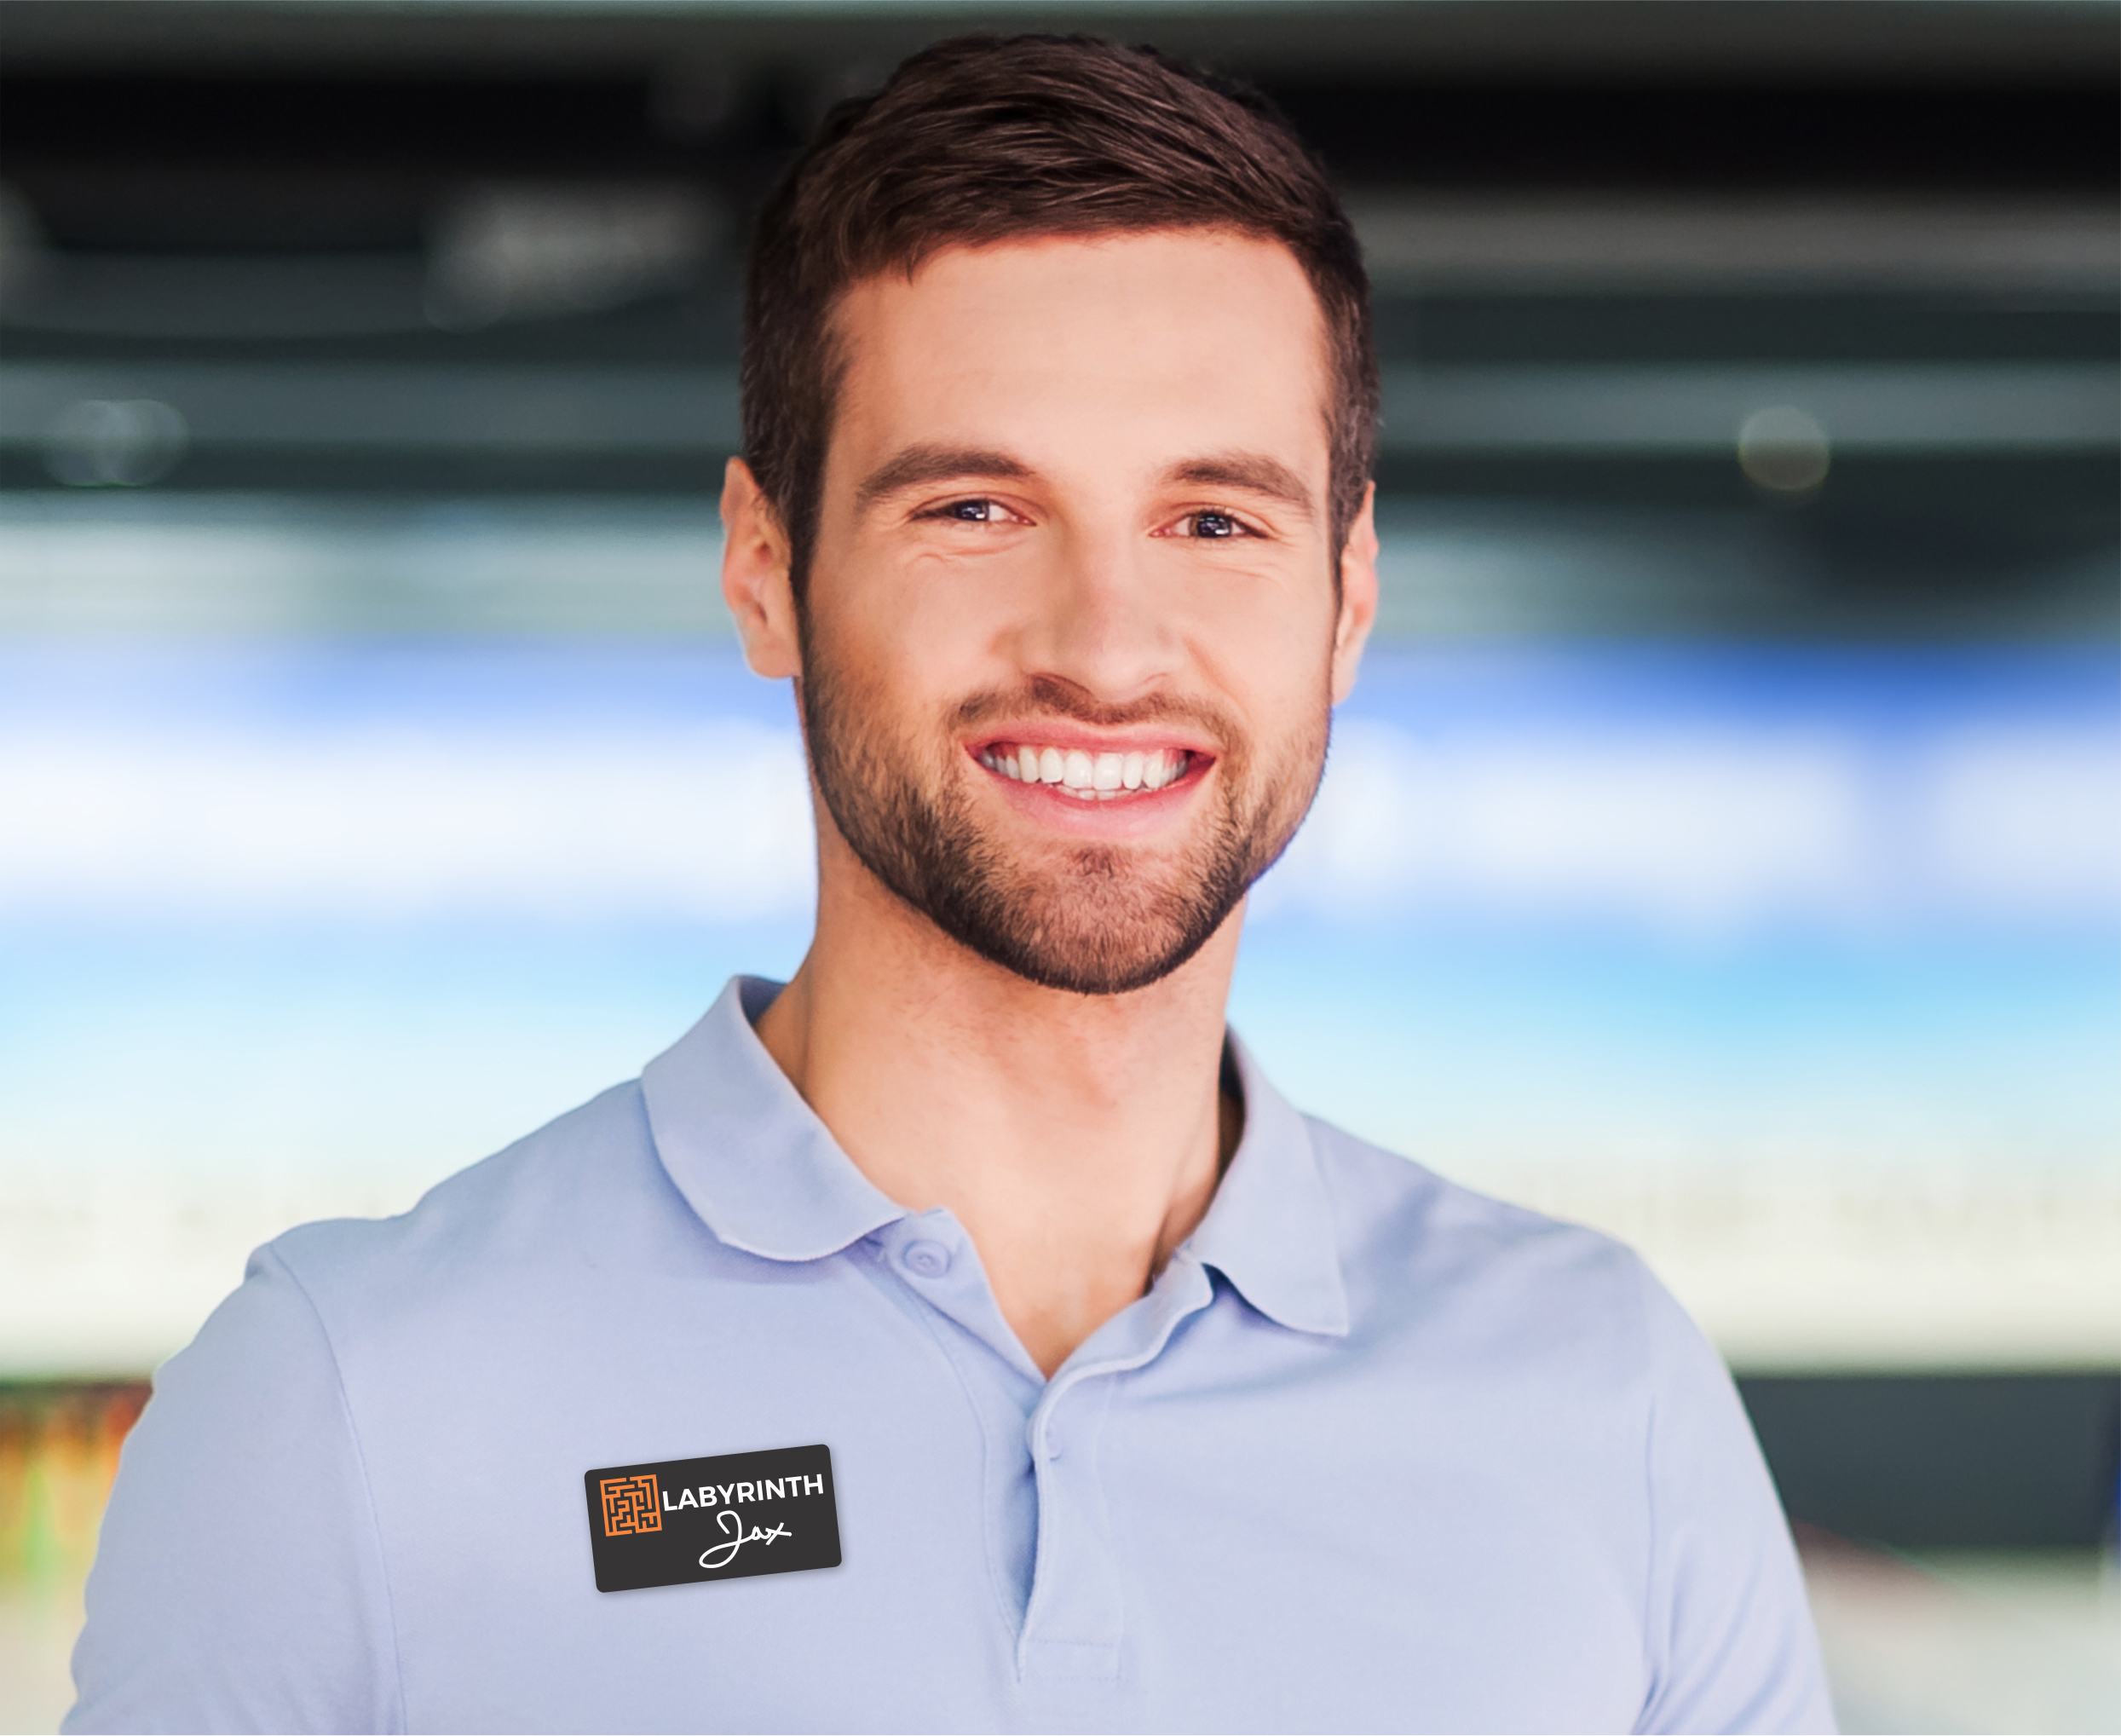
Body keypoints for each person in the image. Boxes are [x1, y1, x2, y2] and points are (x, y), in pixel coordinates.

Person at [67, 35, 1835, 1735]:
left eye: (1214, 520)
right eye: (975, 510)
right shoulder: (350, 1399)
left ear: (1347, 597)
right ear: (766, 571)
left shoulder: (1605, 1393)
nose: (1105, 645)